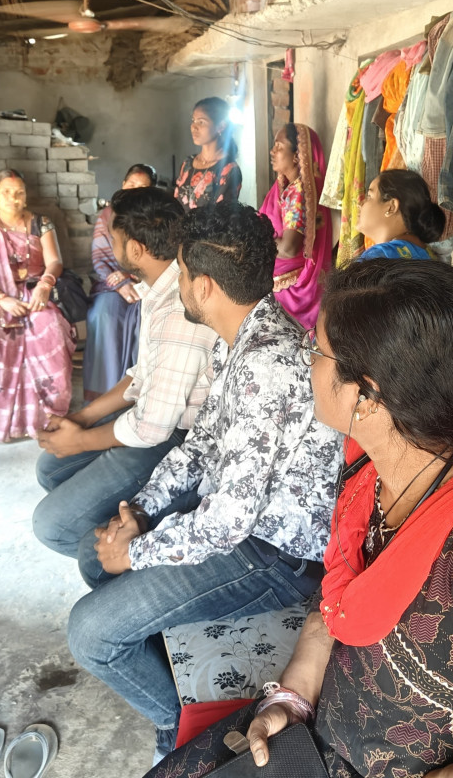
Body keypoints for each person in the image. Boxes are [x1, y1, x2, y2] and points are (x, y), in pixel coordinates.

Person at [150, 259, 453, 778]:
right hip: (313, 736)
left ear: (366, 396)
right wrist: (292, 699)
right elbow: (337, 599)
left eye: (317, 350)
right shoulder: (370, 474)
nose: (306, 360)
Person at [65, 201, 343, 762]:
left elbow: (227, 524)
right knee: (95, 557)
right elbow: (201, 446)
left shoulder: (268, 363)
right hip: (240, 527)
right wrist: (141, 511)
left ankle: (182, 732)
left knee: (89, 634)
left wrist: (137, 552)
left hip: (275, 556)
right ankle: (166, 659)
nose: (178, 285)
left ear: (205, 286)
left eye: (183, 274)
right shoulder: (239, 338)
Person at [32, 186, 218, 556]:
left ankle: (118, 552)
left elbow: (152, 428)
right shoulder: (159, 286)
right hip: (158, 417)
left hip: (180, 437)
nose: (110, 245)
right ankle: (109, 523)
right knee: (50, 467)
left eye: (113, 239)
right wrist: (82, 419)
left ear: (135, 249)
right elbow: (140, 374)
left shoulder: (179, 307)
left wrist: (81, 441)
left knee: (51, 527)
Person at [0, 170, 75, 442]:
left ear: (25, 196)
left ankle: (49, 415)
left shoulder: (41, 223)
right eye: (6, 192)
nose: (13, 198)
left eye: (19, 193)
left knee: (49, 324)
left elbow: (54, 262)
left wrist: (44, 285)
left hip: (36, 291)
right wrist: (2, 299)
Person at [84, 163, 156, 400]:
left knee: (146, 319)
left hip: (147, 282)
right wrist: (119, 283)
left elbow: (158, 258)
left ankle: (137, 397)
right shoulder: (107, 216)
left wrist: (133, 278)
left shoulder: (155, 218)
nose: (134, 191)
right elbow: (100, 258)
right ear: (123, 185)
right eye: (131, 185)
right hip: (110, 283)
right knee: (103, 315)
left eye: (142, 187)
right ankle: (104, 398)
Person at [260, 123, 332, 328]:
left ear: (296, 156)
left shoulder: (297, 192)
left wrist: (255, 241)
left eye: (279, 146)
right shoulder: (289, 189)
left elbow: (289, 248)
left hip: (291, 292)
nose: (272, 151)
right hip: (287, 285)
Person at [355, 169, 445, 261]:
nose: (359, 204)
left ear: (391, 207)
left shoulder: (375, 258)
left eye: (369, 196)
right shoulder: (428, 255)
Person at [174, 97, 241, 209]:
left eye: (201, 122)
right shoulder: (187, 163)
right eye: (193, 120)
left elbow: (223, 214)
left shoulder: (228, 169)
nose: (194, 127)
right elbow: (175, 204)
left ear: (221, 126)